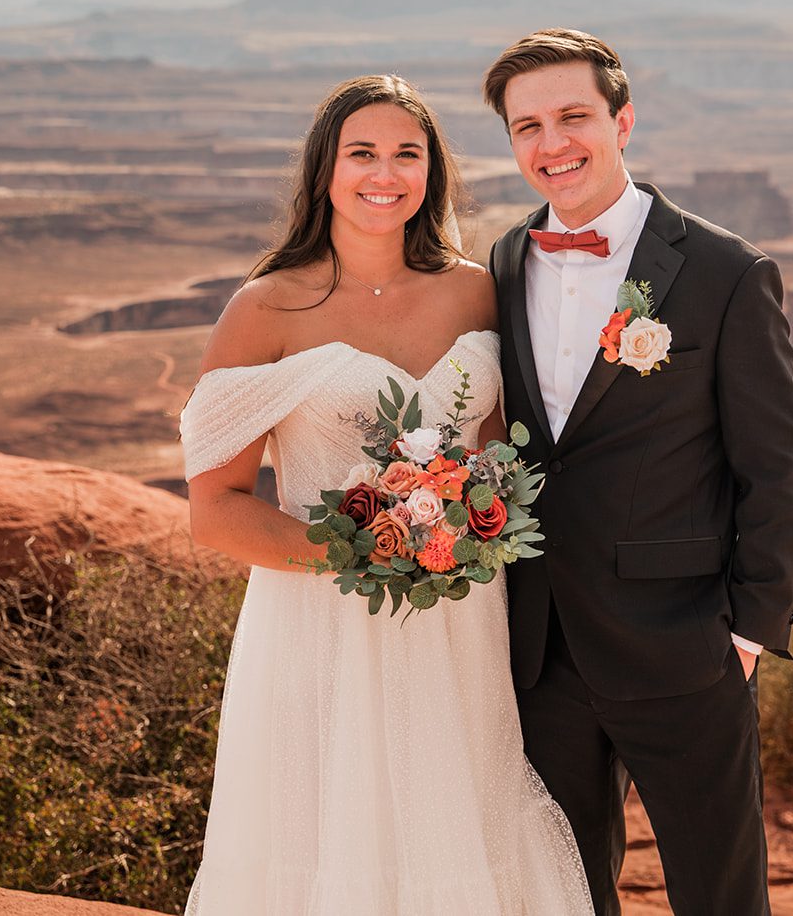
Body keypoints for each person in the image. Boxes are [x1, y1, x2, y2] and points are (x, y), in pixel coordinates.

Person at [178, 74, 592, 915]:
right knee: (331, 842)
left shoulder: (477, 290)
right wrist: (363, 550)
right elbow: (215, 508)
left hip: (461, 626)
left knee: (460, 828)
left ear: (431, 174)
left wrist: (473, 524)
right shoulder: (267, 308)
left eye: (408, 154)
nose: (385, 173)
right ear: (324, 169)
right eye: (362, 152)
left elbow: (497, 458)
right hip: (321, 629)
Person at [483, 29, 793, 915]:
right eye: (527, 128)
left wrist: (748, 634)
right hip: (542, 649)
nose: (552, 145)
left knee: (719, 891)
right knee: (565, 888)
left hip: (686, 648)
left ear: (622, 121)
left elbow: (778, 466)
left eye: (572, 117)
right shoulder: (506, 259)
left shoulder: (726, 272)